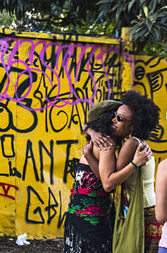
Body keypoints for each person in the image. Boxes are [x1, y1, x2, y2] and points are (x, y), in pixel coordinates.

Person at [64, 91, 159, 252]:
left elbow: (107, 182)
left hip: (82, 214)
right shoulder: (108, 144)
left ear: (134, 124)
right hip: (92, 218)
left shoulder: (123, 144)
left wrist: (89, 141)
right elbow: (108, 182)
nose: (114, 120)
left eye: (120, 118)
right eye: (113, 115)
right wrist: (90, 132)